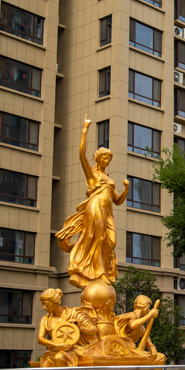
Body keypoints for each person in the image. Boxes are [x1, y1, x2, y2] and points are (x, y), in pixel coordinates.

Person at [55, 117, 129, 288]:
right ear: (98, 158)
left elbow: (117, 201)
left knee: (110, 242)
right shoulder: (92, 174)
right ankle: (99, 272)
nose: (107, 161)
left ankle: (101, 270)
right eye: (105, 158)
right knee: (99, 238)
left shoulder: (109, 179)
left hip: (108, 213)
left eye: (109, 159)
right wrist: (85, 130)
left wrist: (126, 189)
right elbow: (81, 154)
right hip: (95, 207)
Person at [116, 294, 165, 362]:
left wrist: (152, 348)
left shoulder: (141, 328)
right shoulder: (131, 315)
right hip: (123, 350)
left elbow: (149, 343)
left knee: (161, 357)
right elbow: (133, 325)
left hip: (133, 351)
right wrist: (150, 315)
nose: (149, 310)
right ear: (143, 306)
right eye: (148, 307)